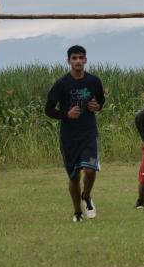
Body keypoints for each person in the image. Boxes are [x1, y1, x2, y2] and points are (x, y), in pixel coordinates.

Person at [44, 45, 105, 223]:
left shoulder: (93, 81)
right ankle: (77, 212)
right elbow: (48, 110)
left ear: (85, 60)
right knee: (74, 175)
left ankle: (87, 196)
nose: (78, 61)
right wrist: (66, 114)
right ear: (69, 61)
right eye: (74, 58)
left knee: (90, 169)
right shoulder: (62, 84)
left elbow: (100, 100)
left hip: (89, 133)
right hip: (69, 136)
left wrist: (97, 107)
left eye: (81, 58)